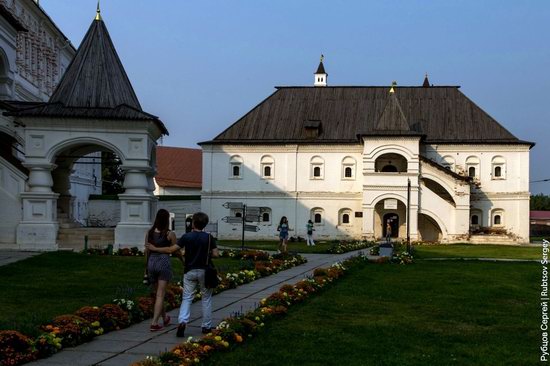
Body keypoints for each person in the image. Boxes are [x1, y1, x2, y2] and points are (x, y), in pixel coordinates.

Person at [147, 212, 219, 338]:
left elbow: (171, 250)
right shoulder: (209, 238)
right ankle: (206, 326)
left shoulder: (187, 236)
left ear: (193, 223)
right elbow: (216, 254)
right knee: (206, 298)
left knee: (187, 298)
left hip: (189, 270)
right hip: (204, 270)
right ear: (204, 225)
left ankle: (183, 321)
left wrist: (155, 248)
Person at [144, 209, 182, 332]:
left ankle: (165, 317)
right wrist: (183, 261)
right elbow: (175, 250)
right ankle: (154, 323)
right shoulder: (169, 234)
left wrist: (146, 268)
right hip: (163, 262)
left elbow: (147, 251)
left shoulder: (149, 232)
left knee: (158, 294)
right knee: (161, 294)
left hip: (151, 263)